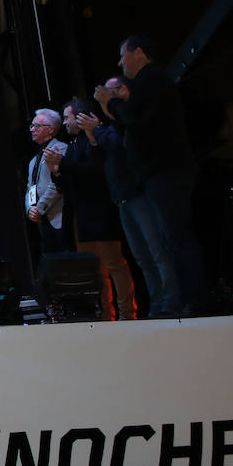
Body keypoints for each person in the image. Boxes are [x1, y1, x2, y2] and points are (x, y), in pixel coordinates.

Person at [94, 34, 206, 314]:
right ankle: (181, 298)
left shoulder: (151, 79)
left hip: (166, 170)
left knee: (173, 237)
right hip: (157, 173)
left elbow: (134, 114)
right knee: (168, 239)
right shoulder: (150, 83)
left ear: (139, 53)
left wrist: (111, 103)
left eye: (123, 55)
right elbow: (130, 123)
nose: (121, 62)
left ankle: (191, 298)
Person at [93, 76, 179, 316]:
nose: (104, 100)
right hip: (122, 199)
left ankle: (171, 300)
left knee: (157, 251)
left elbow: (117, 143)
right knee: (142, 257)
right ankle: (158, 302)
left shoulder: (128, 121)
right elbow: (102, 155)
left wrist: (96, 130)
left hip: (139, 195)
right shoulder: (112, 124)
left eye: (109, 94)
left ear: (122, 90)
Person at [46, 98, 137, 319]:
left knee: (114, 264)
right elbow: (71, 180)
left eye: (67, 118)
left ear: (80, 117)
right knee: (96, 270)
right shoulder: (75, 144)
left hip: (100, 211)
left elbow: (96, 170)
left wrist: (64, 164)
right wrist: (57, 171)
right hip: (82, 215)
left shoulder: (94, 138)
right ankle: (106, 314)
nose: (65, 123)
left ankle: (127, 313)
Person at [25, 109, 68, 254]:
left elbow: (58, 183)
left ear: (50, 129)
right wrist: (30, 208)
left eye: (37, 126)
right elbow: (30, 187)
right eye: (31, 126)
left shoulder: (60, 149)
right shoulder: (33, 161)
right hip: (42, 220)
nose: (32, 129)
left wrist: (40, 207)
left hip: (59, 216)